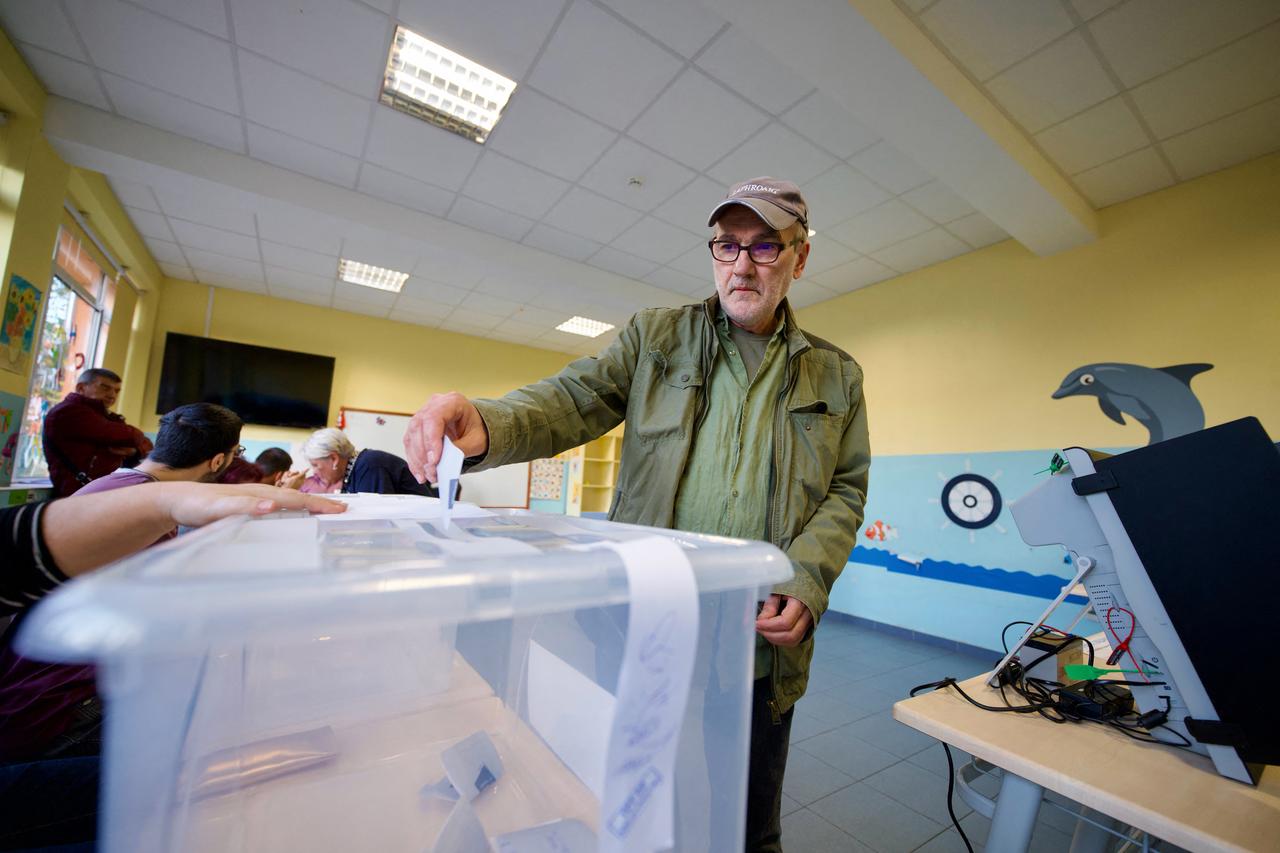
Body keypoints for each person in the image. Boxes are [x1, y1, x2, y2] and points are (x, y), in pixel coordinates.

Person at [404, 177, 869, 853]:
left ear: (799, 258)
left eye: (766, 245)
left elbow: (846, 489)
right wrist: (486, 420)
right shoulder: (657, 338)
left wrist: (807, 576)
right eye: (727, 244)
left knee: (750, 826)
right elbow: (569, 399)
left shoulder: (837, 375)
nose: (743, 263)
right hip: (648, 626)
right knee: (634, 806)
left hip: (760, 647)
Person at [0, 483, 343, 851]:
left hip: (26, 719)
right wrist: (165, 501)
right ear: (218, 461)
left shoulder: (113, 493)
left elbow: (19, 548)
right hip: (50, 717)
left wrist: (165, 501)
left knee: (185, 785)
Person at [0, 402, 246, 767]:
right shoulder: (144, 510)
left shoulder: (117, 483)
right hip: (59, 706)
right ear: (217, 461)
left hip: (26, 681)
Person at [41, 368, 153, 497]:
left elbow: (147, 445)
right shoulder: (68, 412)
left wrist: (134, 451)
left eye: (116, 391)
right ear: (81, 388)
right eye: (105, 388)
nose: (112, 395)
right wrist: (137, 437)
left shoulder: (104, 416)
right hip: (77, 496)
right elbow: (133, 436)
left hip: (96, 493)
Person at [299, 427, 438, 497]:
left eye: (315, 465)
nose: (315, 472)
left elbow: (375, 521)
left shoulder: (370, 466)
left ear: (334, 458)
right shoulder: (355, 468)